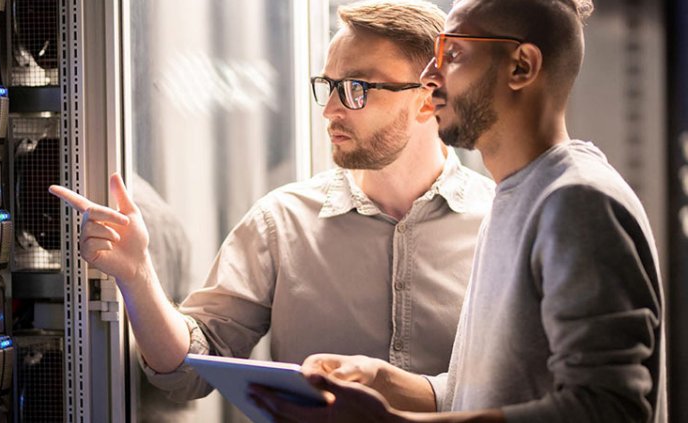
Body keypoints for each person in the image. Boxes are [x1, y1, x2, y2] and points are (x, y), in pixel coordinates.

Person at [49, 0, 494, 404]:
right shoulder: (281, 221)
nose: (330, 110)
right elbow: (185, 372)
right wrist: (137, 274)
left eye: (356, 88)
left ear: (427, 98)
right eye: (328, 85)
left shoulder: (500, 223)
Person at [250, 0, 668, 421]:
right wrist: (387, 381)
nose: (429, 79)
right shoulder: (517, 197)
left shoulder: (578, 203)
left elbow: (609, 407)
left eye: (452, 56)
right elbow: (498, 387)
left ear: (521, 66)